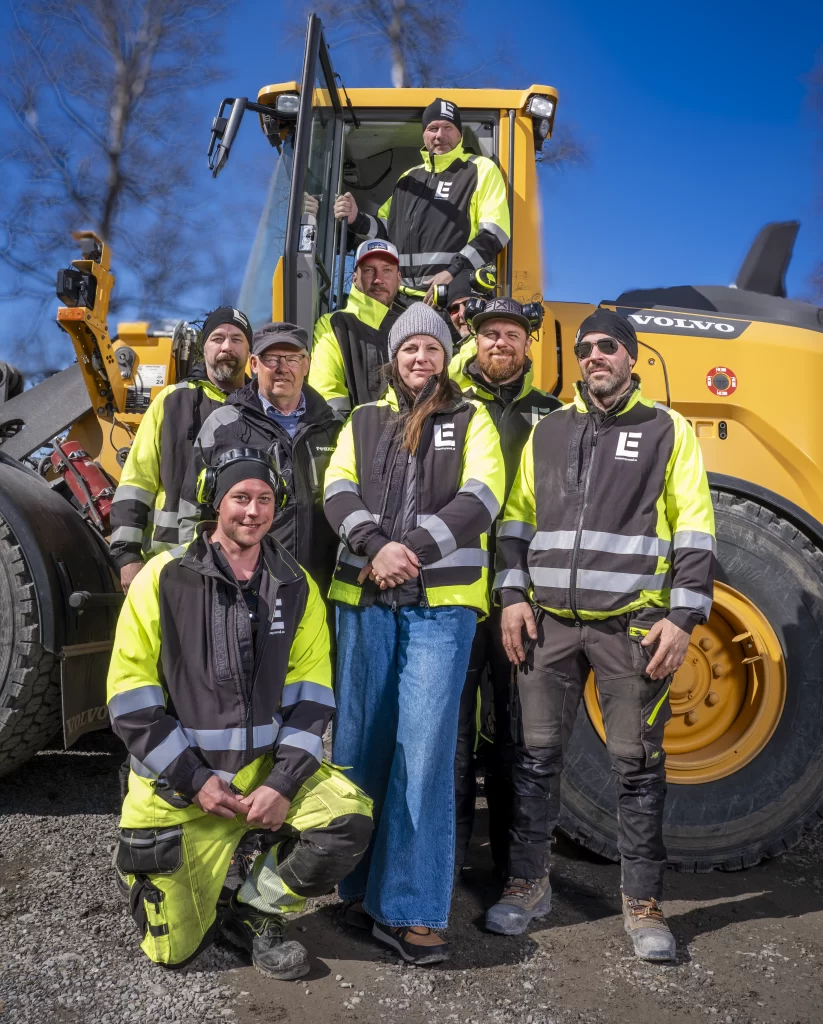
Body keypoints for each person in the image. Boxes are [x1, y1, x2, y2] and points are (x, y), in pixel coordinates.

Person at [488, 308, 716, 961]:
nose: (593, 355)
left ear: (631, 357)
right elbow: (516, 519)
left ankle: (642, 904)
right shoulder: (549, 431)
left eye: (607, 346)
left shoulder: (665, 429)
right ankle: (528, 886)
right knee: (533, 761)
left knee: (636, 767)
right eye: (586, 347)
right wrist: (509, 596)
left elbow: (694, 527)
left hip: (632, 628)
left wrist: (681, 617)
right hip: (548, 624)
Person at [108, 449, 373, 976]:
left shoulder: (296, 585)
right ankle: (154, 865)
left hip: (257, 782)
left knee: (347, 819)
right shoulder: (161, 579)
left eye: (264, 500)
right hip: (181, 791)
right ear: (215, 504)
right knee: (173, 952)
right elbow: (129, 697)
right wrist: (194, 779)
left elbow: (313, 697)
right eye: (240, 498)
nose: (252, 511)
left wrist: (282, 782)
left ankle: (252, 910)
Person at [323, 302, 504, 964]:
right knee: (359, 747)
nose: (419, 359)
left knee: (422, 754)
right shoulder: (363, 421)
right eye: (408, 351)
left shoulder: (470, 418)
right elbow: (335, 489)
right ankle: (353, 886)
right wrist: (374, 547)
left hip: (439, 605)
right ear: (392, 362)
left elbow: (483, 496)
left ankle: (412, 910)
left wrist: (410, 550)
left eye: (430, 349)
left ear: (443, 357)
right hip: (364, 600)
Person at [450, 298, 560, 878]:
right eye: (489, 333)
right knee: (453, 737)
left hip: (528, 598)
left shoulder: (556, 416)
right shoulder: (446, 408)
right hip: (457, 595)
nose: (500, 343)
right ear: (474, 340)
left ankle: (512, 874)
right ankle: (445, 865)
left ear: (526, 346)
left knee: (518, 736)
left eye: (512, 335)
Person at [181, 322, 340, 595]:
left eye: (292, 358)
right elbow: (192, 510)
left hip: (320, 584)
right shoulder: (223, 424)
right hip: (244, 587)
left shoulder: (333, 428)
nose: (282, 367)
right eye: (271, 359)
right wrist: (193, 574)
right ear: (254, 364)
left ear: (306, 365)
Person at [109, 307, 251, 592]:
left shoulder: (260, 408)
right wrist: (127, 555)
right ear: (204, 348)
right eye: (217, 338)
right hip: (170, 562)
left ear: (250, 351)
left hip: (244, 565)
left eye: (237, 339)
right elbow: (137, 481)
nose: (227, 346)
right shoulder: (171, 402)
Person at [334, 98, 509, 301]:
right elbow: (386, 231)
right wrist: (357, 218)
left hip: (450, 299)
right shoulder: (408, 178)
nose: (440, 135)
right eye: (433, 128)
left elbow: (496, 233)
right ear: (424, 134)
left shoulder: (480, 169)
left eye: (448, 127)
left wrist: (453, 272)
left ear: (460, 133)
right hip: (400, 299)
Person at [308, 239, 401, 419]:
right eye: (368, 270)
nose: (378, 279)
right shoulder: (333, 325)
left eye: (387, 270)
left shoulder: (411, 327)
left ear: (399, 278)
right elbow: (328, 397)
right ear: (355, 277)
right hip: (351, 441)